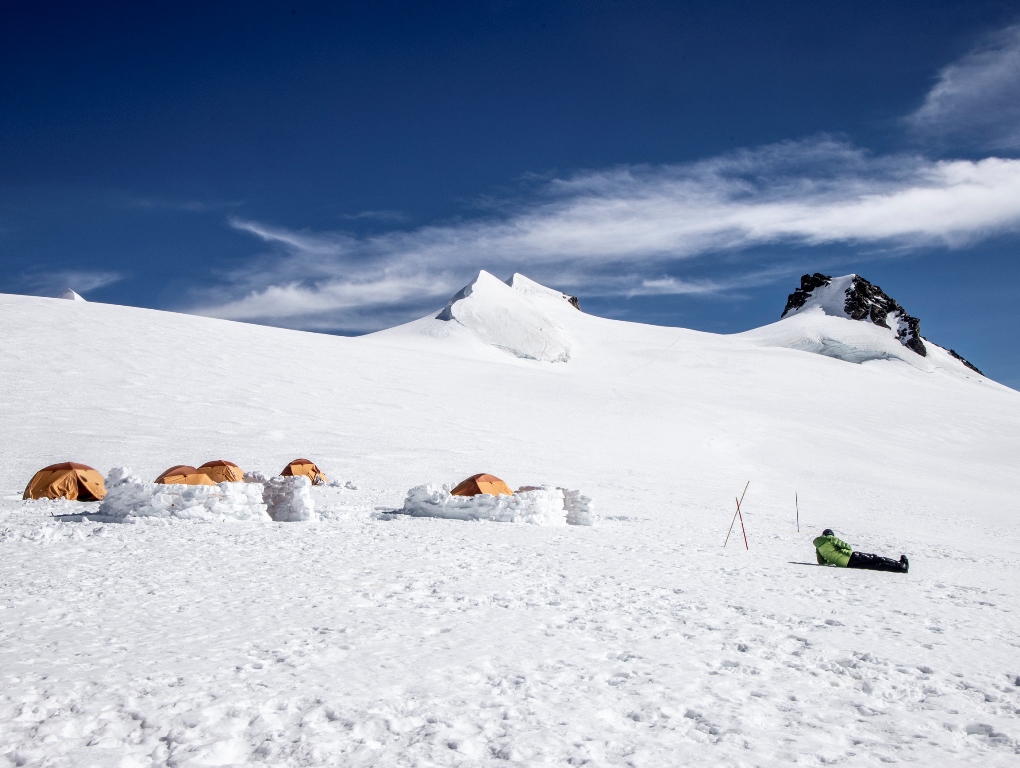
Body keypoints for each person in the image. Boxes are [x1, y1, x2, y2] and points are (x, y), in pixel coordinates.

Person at [814, 529, 909, 573]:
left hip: (844, 564)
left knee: (874, 566)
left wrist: (833, 559)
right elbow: (847, 546)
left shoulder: (818, 547)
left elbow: (821, 561)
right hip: (850, 556)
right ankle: (900, 564)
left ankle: (900, 568)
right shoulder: (830, 538)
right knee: (875, 559)